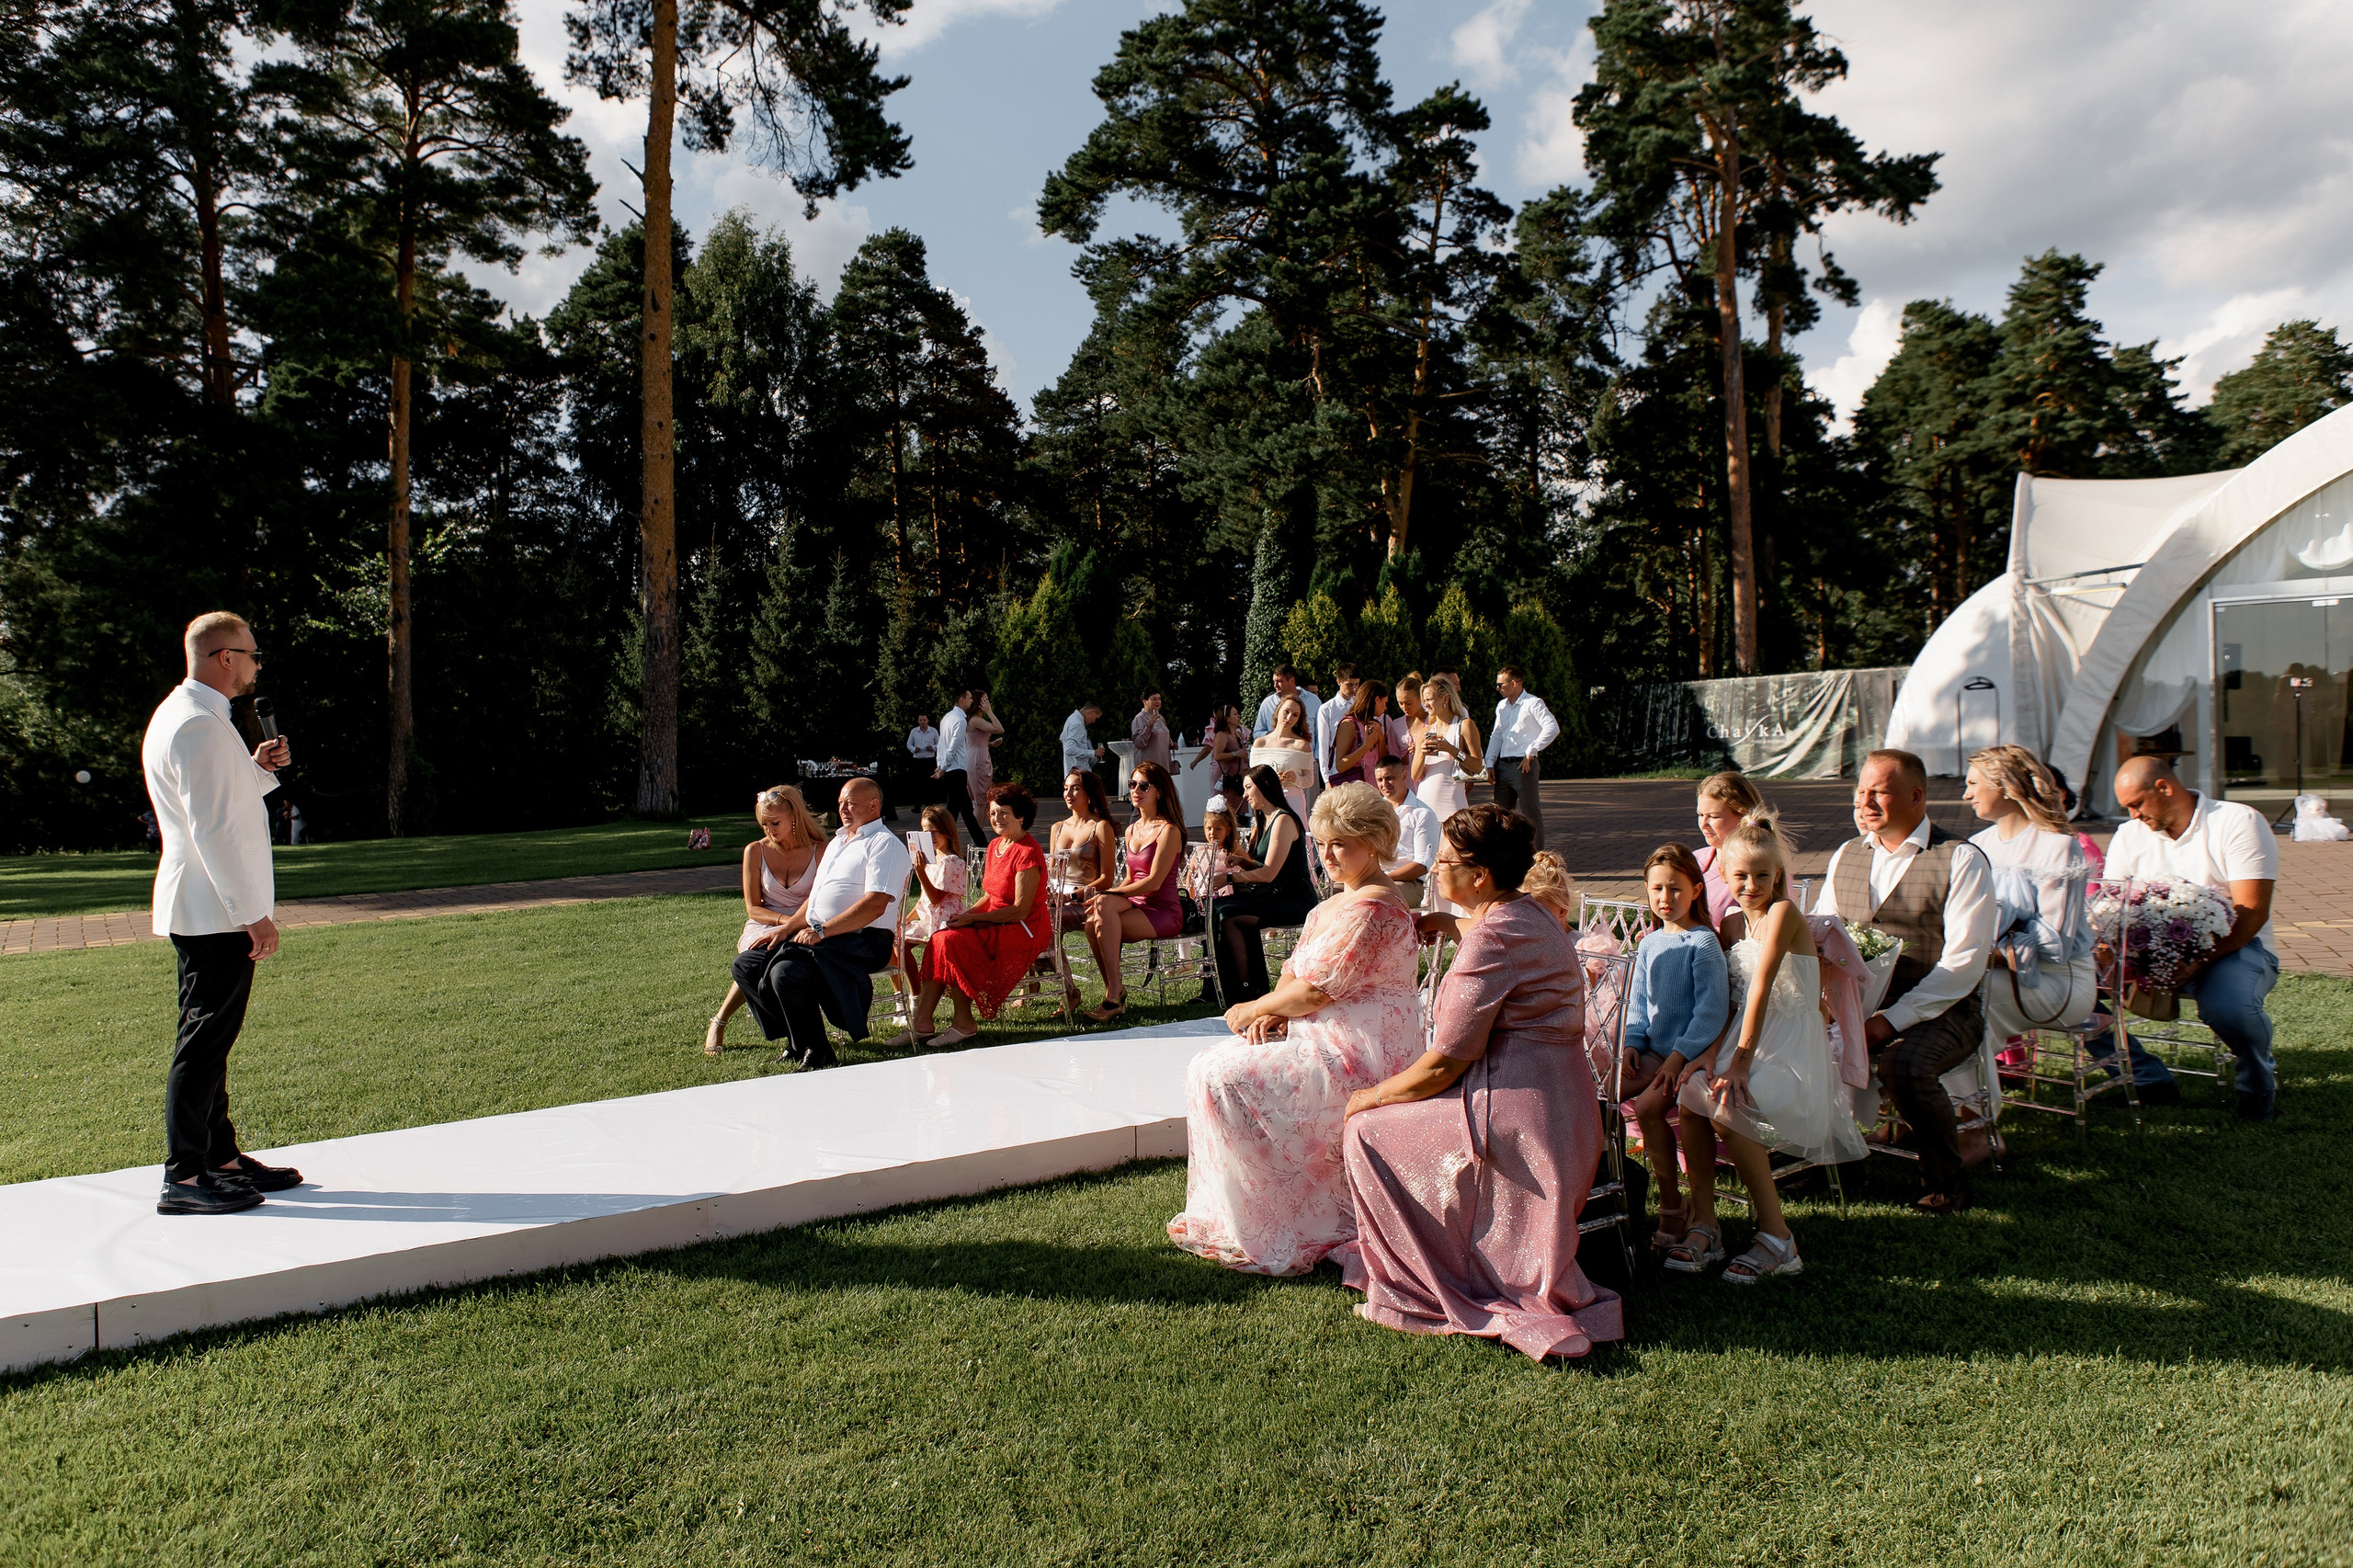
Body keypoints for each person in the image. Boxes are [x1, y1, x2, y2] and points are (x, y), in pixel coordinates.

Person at [1337, 803, 1624, 1360]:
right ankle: (1441, 1250)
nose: (1433, 869)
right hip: (1567, 1113)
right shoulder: (1534, 914)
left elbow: (1445, 1064)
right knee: (1393, 1121)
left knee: (1368, 1132)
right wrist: (1454, 925)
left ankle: (1413, 1283)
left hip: (1518, 1127)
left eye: (1444, 860)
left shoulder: (1491, 940)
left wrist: (1368, 1096)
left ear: (1479, 876)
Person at [1168, 783, 1420, 1275]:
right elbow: (1294, 977)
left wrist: (1252, 1007)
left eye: (1341, 844)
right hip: (1318, 1038)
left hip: (1362, 1056)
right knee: (1209, 1069)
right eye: (1322, 843)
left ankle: (1289, 1220)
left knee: (1222, 1075)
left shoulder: (1374, 907)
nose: (1327, 855)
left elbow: (1316, 991)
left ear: (1373, 843)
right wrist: (1272, 1012)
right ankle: (1258, 1216)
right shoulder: (1329, 906)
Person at [142, 610, 299, 1215]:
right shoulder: (199, 726)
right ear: (224, 658)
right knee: (204, 1043)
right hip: (215, 911)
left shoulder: (197, 718)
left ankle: (220, 1158)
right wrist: (252, 913)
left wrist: (257, 769)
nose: (257, 665)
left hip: (207, 907)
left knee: (211, 1040)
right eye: (252, 655)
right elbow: (210, 831)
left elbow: (219, 803)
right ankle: (184, 1177)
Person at [1665, 813, 1864, 1280]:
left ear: (1778, 876)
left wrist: (1738, 1063)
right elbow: (1731, 1001)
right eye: (1740, 876)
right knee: (1691, 1096)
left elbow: (1761, 990)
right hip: (1744, 1037)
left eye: (1761, 875)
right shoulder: (1732, 924)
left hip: (1790, 1045)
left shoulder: (1783, 914)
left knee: (1729, 1102)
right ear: (1724, 877)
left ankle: (1778, 1237)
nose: (1751, 885)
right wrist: (1711, 1054)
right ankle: (1706, 1224)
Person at [1809, 749, 1996, 1212]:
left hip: (1944, 1010)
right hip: (1856, 1004)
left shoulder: (1961, 859)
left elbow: (1964, 965)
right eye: (1860, 792)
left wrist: (1889, 1022)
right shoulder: (1847, 854)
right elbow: (1825, 929)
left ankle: (1946, 1180)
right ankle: (1833, 1164)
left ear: (1917, 796)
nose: (1865, 802)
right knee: (1797, 1041)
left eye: (1879, 792)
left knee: (1904, 1066)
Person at [2104, 754, 2282, 1120]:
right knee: (2066, 986)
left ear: (2164, 787)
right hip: (2145, 952)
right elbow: (2110, 905)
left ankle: (2256, 1087)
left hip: (2237, 945)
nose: (2133, 816)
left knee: (2230, 1008)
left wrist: (2200, 961)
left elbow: (2251, 910)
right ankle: (2147, 1077)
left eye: (2136, 804)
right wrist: (2113, 955)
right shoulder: (2128, 835)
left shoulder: (2237, 820)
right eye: (2127, 808)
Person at [728, 777, 912, 1071]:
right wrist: (786, 929)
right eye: (840, 803)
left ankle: (817, 1049)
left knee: (785, 973)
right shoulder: (839, 841)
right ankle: (797, 1038)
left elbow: (876, 904)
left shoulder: (884, 844)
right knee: (747, 964)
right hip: (820, 935)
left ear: (874, 805)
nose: (843, 809)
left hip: (862, 938)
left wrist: (821, 931)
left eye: (850, 803)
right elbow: (814, 900)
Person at [1620, 845, 1732, 1258]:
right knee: (1599, 1098)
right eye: (1656, 889)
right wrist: (1632, 1041)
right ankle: (1614, 1188)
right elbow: (1638, 1001)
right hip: (1651, 1052)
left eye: (1675, 889)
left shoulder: (1702, 944)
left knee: (1649, 1110)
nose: (1665, 898)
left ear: (1697, 890)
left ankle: (1672, 1205)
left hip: (1686, 1056)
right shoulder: (1649, 943)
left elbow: (1711, 1011)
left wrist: (1678, 1057)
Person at [1961, 744, 2099, 1077]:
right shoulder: (1977, 843)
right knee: (1934, 993)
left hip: (2059, 983)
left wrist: (1980, 953)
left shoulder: (2057, 845)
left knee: (1963, 1006)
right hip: (1989, 970)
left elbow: (2055, 946)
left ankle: (1970, 1117)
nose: (1966, 796)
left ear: (2006, 787)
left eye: (1973, 784)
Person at [902, 784, 1051, 1049]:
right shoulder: (994, 845)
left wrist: (970, 920)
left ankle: (964, 1024)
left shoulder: (1028, 852)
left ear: (1021, 816)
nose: (996, 818)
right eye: (993, 813)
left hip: (1024, 928)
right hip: (996, 920)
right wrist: (965, 915)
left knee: (954, 943)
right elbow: (989, 897)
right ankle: (921, 1023)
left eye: (1004, 812)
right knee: (941, 937)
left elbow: (1019, 910)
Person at [705, 784, 826, 1056]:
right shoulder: (755, 851)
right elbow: (753, 909)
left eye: (775, 823)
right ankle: (731, 1021)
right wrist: (782, 923)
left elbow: (821, 899)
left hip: (806, 921)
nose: (769, 830)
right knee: (754, 955)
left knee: (770, 958)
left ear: (794, 818)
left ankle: (721, 1018)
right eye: (763, 824)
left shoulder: (821, 850)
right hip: (767, 921)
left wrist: (792, 925)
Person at [1082, 759, 1186, 1022]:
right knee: (1091, 921)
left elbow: (1153, 883)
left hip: (1163, 910)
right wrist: (1111, 895)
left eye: (1143, 785)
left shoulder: (1169, 830)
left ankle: (1114, 996)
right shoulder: (1130, 830)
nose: (1135, 790)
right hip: (1136, 904)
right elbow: (1129, 879)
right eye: (1132, 784)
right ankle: (1114, 991)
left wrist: (1108, 895)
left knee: (1101, 909)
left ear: (1159, 791)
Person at [1211, 765, 1319, 1002]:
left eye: (1249, 787)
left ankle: (1247, 990)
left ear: (1265, 787)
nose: (1246, 794)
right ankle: (1242, 987)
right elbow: (1263, 868)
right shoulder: (1264, 820)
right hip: (1272, 895)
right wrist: (1242, 861)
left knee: (1230, 915)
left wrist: (1228, 878)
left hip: (1295, 900)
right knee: (1220, 908)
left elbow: (1269, 874)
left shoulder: (1283, 820)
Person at [1483, 664, 1559, 850]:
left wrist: (1532, 750)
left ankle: (1537, 859)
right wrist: (1490, 762)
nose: (1498, 688)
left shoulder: (1533, 703)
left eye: (1501, 684)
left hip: (1523, 765)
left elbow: (1552, 727)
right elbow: (1497, 734)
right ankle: (1504, 858)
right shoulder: (1502, 706)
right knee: (1500, 816)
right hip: (1503, 765)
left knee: (1531, 816)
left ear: (1514, 683)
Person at [898, 802, 969, 985]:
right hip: (928, 917)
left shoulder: (951, 861)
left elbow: (936, 898)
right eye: (925, 832)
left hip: (946, 920)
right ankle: (915, 994)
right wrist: (905, 920)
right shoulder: (930, 859)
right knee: (899, 943)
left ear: (947, 831)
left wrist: (920, 872)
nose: (930, 837)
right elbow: (923, 900)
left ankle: (925, 992)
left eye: (934, 832)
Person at [1694, 771, 1766, 927]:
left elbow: (1766, 928)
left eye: (1713, 816)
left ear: (1743, 816)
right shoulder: (1694, 859)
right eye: (1700, 814)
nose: (1703, 824)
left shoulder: (1764, 865)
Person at [1373, 754, 1439, 907]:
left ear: (1404, 775)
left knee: (1376, 899)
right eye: (1380, 780)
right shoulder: (1374, 811)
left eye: (1389, 778)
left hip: (1409, 883)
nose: (1384, 784)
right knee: (1337, 894)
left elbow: (1422, 865)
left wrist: (1383, 878)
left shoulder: (1422, 813)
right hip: (1374, 878)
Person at [1413, 675, 1479, 825]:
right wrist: (1422, 754)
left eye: (1429, 699)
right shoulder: (1425, 731)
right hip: (1425, 802)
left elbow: (1477, 767)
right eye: (1424, 701)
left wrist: (1451, 749)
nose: (1426, 705)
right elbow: (1415, 776)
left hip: (1453, 801)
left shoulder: (1465, 725)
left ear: (1445, 699)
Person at [1051, 767, 1119, 901]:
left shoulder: (1101, 827)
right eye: (1066, 788)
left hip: (1085, 899)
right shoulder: (1057, 827)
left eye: (1076, 789)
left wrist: (1072, 896)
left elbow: (1106, 879)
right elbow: (1051, 874)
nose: (1068, 794)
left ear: (1089, 793)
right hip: (1057, 898)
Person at [1251, 696, 1317, 824]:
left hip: (1292, 799)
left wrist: (1295, 778)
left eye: (1295, 715)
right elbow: (1252, 778)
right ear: (1278, 711)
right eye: (1286, 711)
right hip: (1266, 799)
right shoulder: (1260, 743)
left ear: (1298, 720)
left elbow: (1309, 780)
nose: (1289, 718)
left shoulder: (1301, 745)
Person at [932, 689, 985, 846]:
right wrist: (942, 766)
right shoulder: (960, 720)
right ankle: (942, 844)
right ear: (961, 699)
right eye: (969, 698)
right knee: (952, 810)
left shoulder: (947, 718)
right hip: (956, 769)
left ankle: (983, 845)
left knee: (966, 812)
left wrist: (940, 765)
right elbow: (952, 747)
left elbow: (942, 745)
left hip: (950, 768)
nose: (971, 701)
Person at [1191, 706, 1248, 814]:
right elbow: (1217, 756)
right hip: (1227, 779)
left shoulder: (1238, 734)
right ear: (1227, 718)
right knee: (1225, 810)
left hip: (1239, 778)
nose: (1239, 716)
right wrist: (1236, 754)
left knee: (1239, 810)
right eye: (1235, 714)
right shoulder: (1221, 735)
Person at [1333, 680, 1391, 785]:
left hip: (1375, 791)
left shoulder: (1375, 724)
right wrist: (1366, 746)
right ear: (1377, 699)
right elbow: (1340, 766)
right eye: (1385, 702)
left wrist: (1381, 738)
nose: (1386, 707)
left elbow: (1382, 762)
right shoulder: (1349, 724)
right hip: (1356, 793)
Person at [1315, 663, 1359, 788]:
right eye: (1349, 685)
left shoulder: (1359, 706)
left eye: (1357, 684)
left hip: (1358, 767)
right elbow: (1323, 744)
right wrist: (1326, 779)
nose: (1354, 689)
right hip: (1335, 769)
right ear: (1339, 681)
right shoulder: (1327, 709)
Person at [965, 691, 1004, 826]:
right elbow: (999, 728)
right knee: (980, 801)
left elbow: (975, 741)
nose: (987, 703)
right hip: (977, 761)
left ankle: (978, 836)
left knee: (982, 801)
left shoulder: (976, 720)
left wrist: (990, 744)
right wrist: (990, 712)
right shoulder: (975, 720)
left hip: (981, 757)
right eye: (984, 701)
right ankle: (976, 838)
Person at [1253, 664, 1319, 739]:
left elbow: (1320, 734)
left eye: (1279, 681)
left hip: (1306, 749)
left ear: (1292, 681)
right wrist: (1274, 735)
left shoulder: (1313, 701)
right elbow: (1257, 733)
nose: (1275, 685)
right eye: (1274, 681)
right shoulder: (1268, 703)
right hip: (1277, 749)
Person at [1062, 699, 1106, 782]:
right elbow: (1069, 750)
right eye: (1095, 718)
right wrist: (1093, 753)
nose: (1094, 721)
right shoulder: (1076, 723)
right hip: (1079, 775)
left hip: (1075, 773)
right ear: (1091, 711)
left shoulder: (1072, 719)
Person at [1131, 690, 1173, 773]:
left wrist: (1171, 744)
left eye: (1159, 699)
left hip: (1163, 767)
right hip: (1149, 768)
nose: (1157, 702)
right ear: (1145, 701)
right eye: (1154, 699)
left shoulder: (1160, 718)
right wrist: (1148, 727)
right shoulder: (1139, 718)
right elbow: (1139, 743)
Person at [904, 712, 938, 807]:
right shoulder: (914, 731)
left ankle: (929, 805)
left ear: (927, 720)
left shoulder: (933, 731)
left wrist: (932, 748)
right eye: (920, 720)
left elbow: (939, 744)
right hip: (917, 760)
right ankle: (916, 806)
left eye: (924, 720)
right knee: (917, 783)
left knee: (929, 783)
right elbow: (909, 744)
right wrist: (914, 749)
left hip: (929, 760)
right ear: (918, 721)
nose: (922, 722)